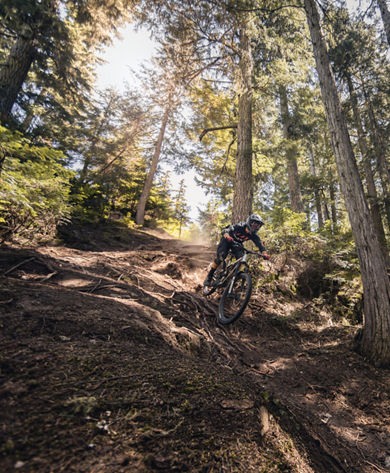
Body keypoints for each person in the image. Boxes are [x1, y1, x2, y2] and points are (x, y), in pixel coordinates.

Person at [204, 213, 270, 286]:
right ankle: (209, 277)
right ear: (249, 222)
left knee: (241, 260)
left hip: (237, 244)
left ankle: (230, 279)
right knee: (221, 257)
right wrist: (227, 236)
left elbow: (260, 246)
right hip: (227, 240)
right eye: (254, 224)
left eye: (257, 225)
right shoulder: (240, 226)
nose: (255, 227)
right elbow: (226, 229)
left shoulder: (254, 235)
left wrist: (265, 254)